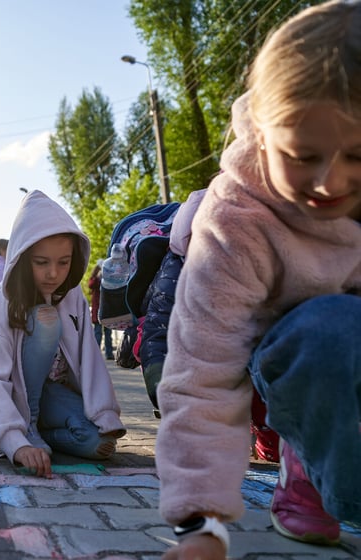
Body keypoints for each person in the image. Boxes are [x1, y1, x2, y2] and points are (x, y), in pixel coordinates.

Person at [156, 2, 361, 557]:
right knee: (334, 333)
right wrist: (203, 525)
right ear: (264, 134)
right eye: (304, 155)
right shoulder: (235, 221)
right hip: (301, 356)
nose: (330, 181)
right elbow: (202, 376)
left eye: (358, 155)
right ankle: (311, 464)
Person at [0, 190, 126, 478]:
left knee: (100, 443)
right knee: (46, 320)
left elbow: (89, 358)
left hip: (53, 395)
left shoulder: (73, 296)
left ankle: (39, 432)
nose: (54, 273)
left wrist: (105, 413)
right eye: (42, 262)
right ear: (22, 257)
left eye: (63, 262)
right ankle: (25, 428)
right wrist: (14, 443)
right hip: (14, 402)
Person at [87, 261, 114, 360]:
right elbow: (91, 285)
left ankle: (109, 353)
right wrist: (97, 276)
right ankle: (96, 353)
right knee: (97, 333)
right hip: (98, 309)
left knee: (108, 333)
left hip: (108, 309)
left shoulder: (109, 278)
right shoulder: (95, 280)